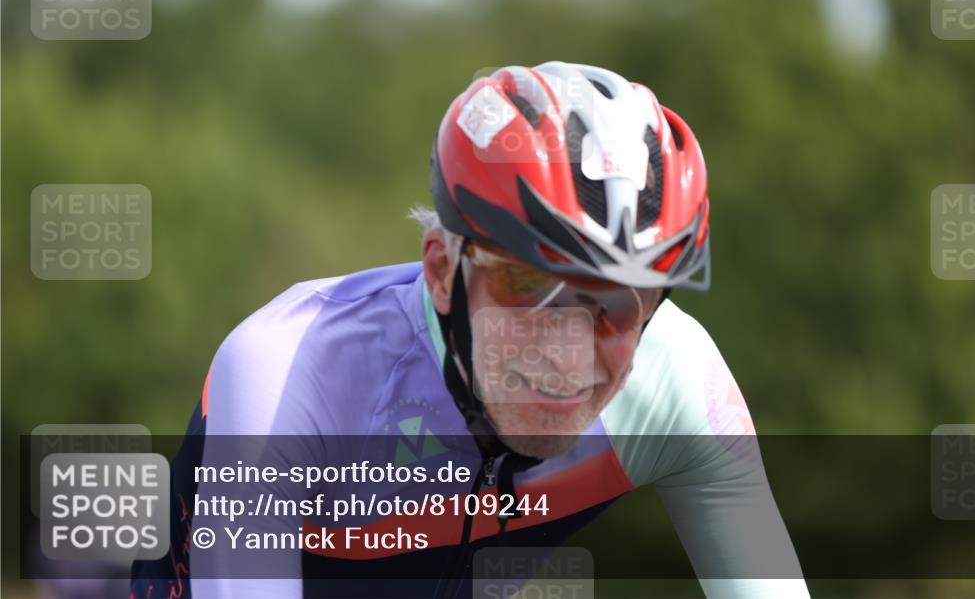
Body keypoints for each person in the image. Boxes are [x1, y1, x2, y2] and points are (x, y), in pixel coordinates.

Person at [131, 62, 811, 598]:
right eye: (528, 287)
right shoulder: (290, 372)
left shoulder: (676, 380)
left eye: (620, 302)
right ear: (440, 270)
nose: (569, 353)